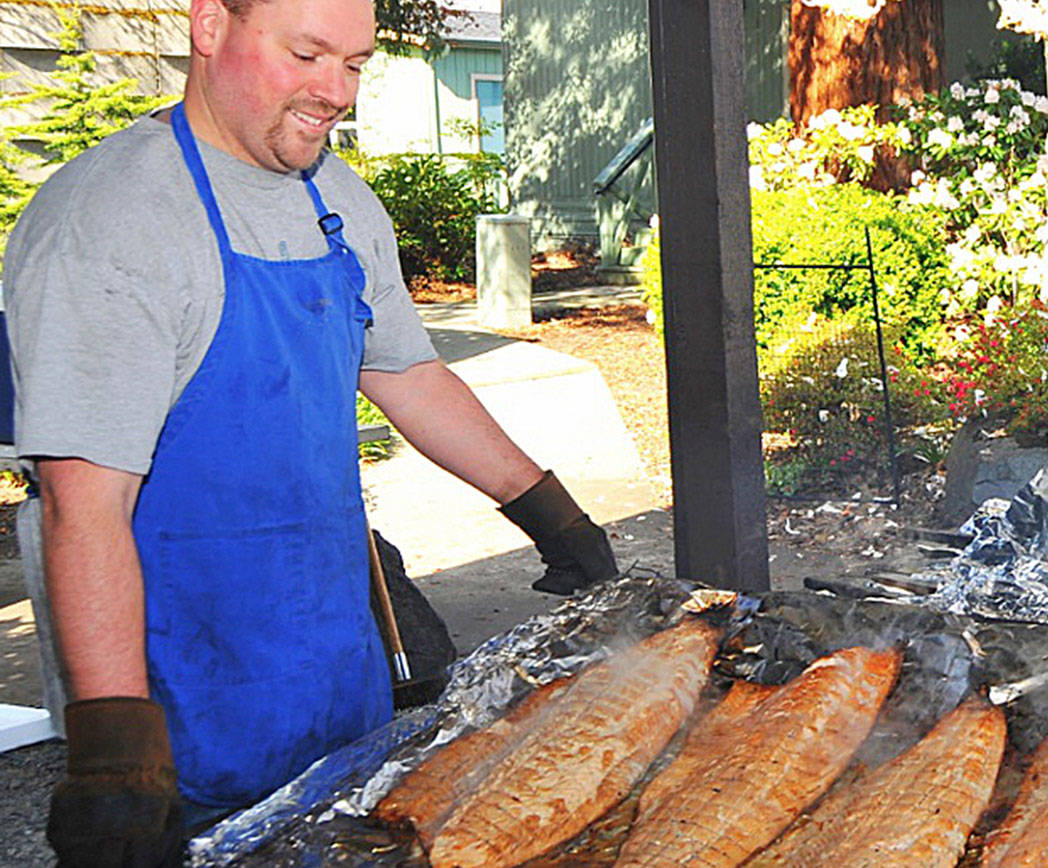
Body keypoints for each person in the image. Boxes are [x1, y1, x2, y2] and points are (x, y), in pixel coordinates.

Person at [2, 0, 618, 860]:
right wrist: (114, 763)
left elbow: (406, 372)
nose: (337, 92)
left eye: (356, 64)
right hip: (175, 692)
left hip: (331, 657)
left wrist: (548, 511)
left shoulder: (338, 197)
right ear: (210, 25)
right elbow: (83, 506)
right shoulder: (111, 223)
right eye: (307, 54)